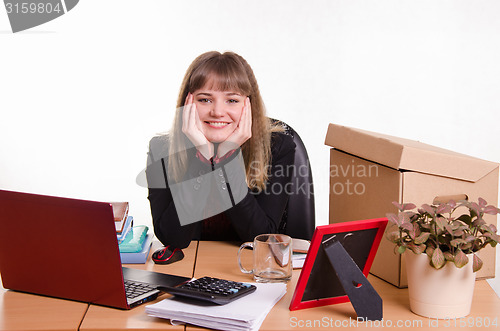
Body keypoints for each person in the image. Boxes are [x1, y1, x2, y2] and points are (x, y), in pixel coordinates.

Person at [145, 51, 296, 260]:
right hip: (191, 270)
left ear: (248, 105)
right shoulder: (161, 150)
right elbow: (174, 238)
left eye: (232, 100)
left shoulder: (278, 147)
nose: (217, 112)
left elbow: (259, 238)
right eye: (205, 99)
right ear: (188, 104)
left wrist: (226, 159)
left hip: (249, 270)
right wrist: (203, 159)